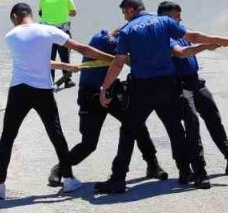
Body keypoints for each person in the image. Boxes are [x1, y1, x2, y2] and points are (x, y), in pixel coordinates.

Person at [95, 0, 228, 194]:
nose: (124, 17)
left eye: (124, 13)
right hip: (168, 85)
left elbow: (118, 62)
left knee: (128, 132)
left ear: (131, 10)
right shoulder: (164, 22)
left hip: (142, 88)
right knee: (176, 128)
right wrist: (217, 40)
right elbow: (191, 37)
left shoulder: (127, 31)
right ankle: (187, 172)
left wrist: (105, 88)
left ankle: (118, 179)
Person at [0, 3, 113, 200]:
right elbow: (82, 48)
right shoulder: (48, 30)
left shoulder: (11, 36)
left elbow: (33, 60)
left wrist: (64, 65)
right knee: (56, 134)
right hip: (43, 91)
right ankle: (68, 179)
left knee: (7, 136)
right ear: (30, 14)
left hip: (19, 90)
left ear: (15, 16)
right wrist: (112, 59)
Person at [53, 28, 169, 186]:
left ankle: (153, 165)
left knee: (138, 125)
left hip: (111, 93)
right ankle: (60, 169)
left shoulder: (118, 42)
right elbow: (126, 57)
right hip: (91, 96)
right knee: (88, 144)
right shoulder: (101, 38)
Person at [157, 1, 228, 175]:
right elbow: (181, 53)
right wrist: (205, 47)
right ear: (165, 18)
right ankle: (196, 168)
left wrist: (217, 42)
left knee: (214, 118)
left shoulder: (181, 30)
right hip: (179, 86)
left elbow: (197, 38)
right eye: (176, 16)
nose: (180, 19)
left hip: (195, 82)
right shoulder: (163, 36)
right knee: (192, 125)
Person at [39, 0, 77, 88]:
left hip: (46, 33)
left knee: (50, 58)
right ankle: (67, 80)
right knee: (65, 56)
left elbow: (41, 13)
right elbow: (73, 13)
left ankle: (50, 82)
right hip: (62, 32)